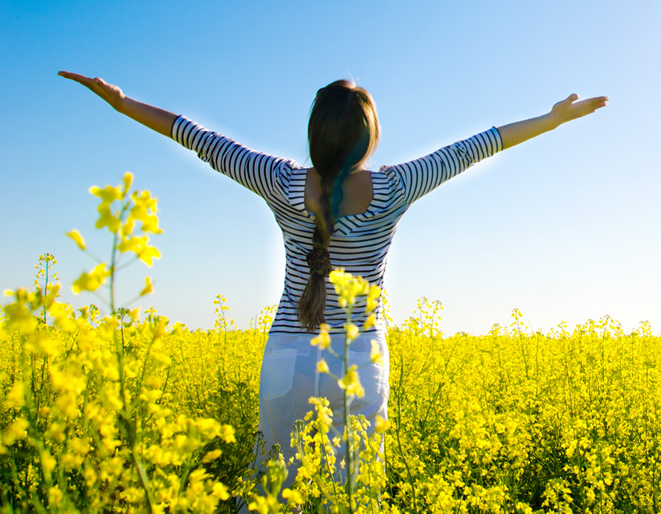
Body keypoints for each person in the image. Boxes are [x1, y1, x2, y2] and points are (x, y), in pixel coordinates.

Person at [58, 71, 607, 494]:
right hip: (360, 359)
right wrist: (550, 119)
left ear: (314, 134)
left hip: (287, 357)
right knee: (353, 493)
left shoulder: (278, 180)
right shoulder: (396, 187)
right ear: (369, 138)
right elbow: (474, 147)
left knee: (273, 490)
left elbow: (197, 137)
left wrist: (123, 102)